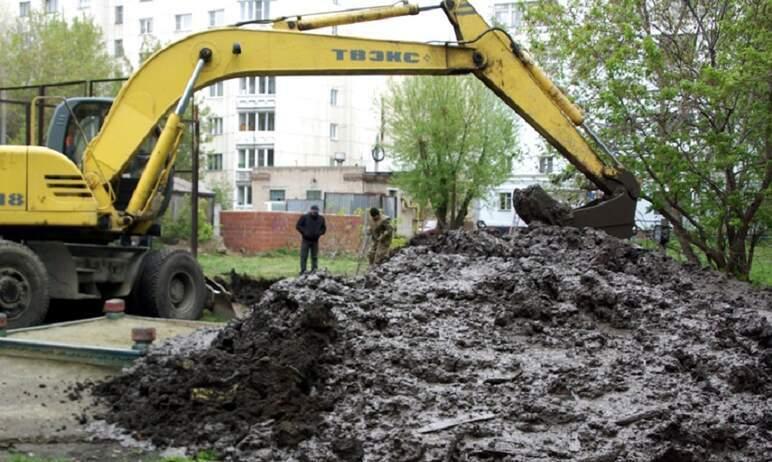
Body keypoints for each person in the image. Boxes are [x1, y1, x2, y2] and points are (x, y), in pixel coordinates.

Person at [296, 205, 326, 274]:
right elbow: (298, 226)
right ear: (310, 210)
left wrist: (319, 233)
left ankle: (314, 270)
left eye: (316, 210)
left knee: (314, 256)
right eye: (313, 210)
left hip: (315, 241)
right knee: (304, 256)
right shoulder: (304, 217)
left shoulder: (321, 218)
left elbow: (324, 229)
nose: (314, 212)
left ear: (318, 211)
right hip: (306, 240)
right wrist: (304, 232)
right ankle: (303, 270)